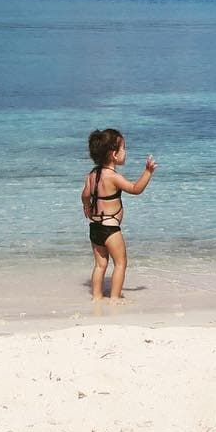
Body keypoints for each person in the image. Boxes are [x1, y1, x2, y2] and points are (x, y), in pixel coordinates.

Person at [81, 128, 157, 302]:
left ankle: (97, 297)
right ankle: (115, 298)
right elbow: (135, 189)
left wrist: (86, 206)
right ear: (114, 155)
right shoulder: (113, 176)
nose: (125, 153)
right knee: (121, 263)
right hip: (111, 229)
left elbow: (85, 195)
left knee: (100, 265)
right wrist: (147, 173)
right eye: (124, 148)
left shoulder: (92, 175)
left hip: (95, 227)